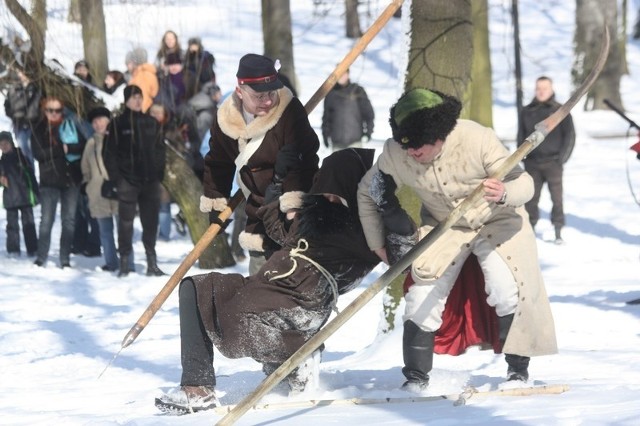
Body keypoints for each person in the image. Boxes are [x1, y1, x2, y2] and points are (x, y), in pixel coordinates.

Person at [357, 88, 557, 391]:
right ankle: (415, 379)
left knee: (506, 289)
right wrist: (376, 243)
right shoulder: (396, 153)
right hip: (444, 228)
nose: (411, 153)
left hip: (498, 221)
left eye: (419, 146)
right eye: (405, 145)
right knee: (420, 297)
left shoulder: (477, 138)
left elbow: (523, 181)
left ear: (439, 134)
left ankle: (517, 372)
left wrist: (505, 193)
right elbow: (368, 192)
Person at [155, 148, 381, 414]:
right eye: (325, 190)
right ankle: (197, 387)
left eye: (338, 192)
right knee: (194, 288)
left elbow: (401, 249)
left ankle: (298, 355)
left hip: (298, 305)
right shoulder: (313, 214)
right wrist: (276, 184)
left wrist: (389, 210)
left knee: (244, 320)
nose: (330, 198)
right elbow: (277, 228)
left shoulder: (363, 231)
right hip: (265, 287)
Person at [200, 53, 320, 275]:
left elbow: (305, 159)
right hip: (259, 214)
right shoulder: (226, 120)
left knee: (296, 284)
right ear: (240, 92)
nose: (268, 101)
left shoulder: (289, 111)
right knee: (260, 286)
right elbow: (218, 163)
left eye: (272, 93)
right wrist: (216, 202)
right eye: (259, 96)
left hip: (296, 215)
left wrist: (292, 206)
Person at [104, 85, 166, 277]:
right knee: (125, 223)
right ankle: (124, 262)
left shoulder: (151, 122)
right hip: (127, 181)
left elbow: (160, 151)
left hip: (150, 180)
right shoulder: (116, 124)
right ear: (126, 100)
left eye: (139, 97)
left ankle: (151, 262)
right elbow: (108, 153)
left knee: (151, 222)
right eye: (133, 97)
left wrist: (158, 173)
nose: (137, 101)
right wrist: (117, 177)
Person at [517, 76, 575, 243]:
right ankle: (531, 229)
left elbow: (570, 136)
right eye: (538, 88)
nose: (541, 92)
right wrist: (524, 157)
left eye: (545, 88)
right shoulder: (527, 111)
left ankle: (558, 230)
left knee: (557, 198)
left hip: (554, 163)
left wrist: (561, 158)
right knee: (531, 198)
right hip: (532, 163)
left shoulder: (560, 111)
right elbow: (521, 136)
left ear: (551, 89)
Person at [31, 97, 85, 268]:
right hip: (50, 180)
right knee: (46, 220)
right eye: (50, 110)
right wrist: (61, 149)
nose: (54, 114)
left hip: (71, 179)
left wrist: (67, 149)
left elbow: (82, 146)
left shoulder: (70, 126)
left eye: (57, 110)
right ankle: (41, 256)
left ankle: (64, 258)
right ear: (44, 111)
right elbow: (39, 154)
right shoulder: (39, 129)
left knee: (69, 221)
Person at [81, 106, 133, 272]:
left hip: (120, 190)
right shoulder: (90, 144)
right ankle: (111, 262)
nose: (98, 124)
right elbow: (85, 168)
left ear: (108, 121)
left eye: (101, 120)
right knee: (105, 232)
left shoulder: (120, 138)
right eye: (94, 122)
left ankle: (128, 264)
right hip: (98, 193)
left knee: (124, 230)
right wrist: (87, 185)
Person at [0, 130, 38, 257]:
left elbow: (31, 174)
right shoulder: (1, 161)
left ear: (11, 142)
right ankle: (13, 250)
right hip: (10, 197)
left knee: (29, 224)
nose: (4, 146)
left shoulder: (21, 156)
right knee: (12, 226)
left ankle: (32, 249)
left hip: (25, 195)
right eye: (1, 144)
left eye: (6, 143)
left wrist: (35, 193)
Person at [321, 68, 374, 151]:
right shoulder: (331, 93)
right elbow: (326, 117)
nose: (341, 76)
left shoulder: (357, 90)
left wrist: (368, 132)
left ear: (348, 74)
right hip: (337, 144)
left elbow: (368, 113)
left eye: (343, 73)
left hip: (355, 142)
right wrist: (325, 135)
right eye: (339, 74)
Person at [3, 69, 41, 169]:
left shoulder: (35, 88)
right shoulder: (13, 89)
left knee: (36, 150)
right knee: (25, 151)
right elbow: (7, 105)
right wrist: (13, 115)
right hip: (19, 124)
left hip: (34, 123)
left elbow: (37, 103)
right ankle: (31, 173)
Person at [125, 47, 159, 113]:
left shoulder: (142, 76)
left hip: (142, 112)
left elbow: (144, 98)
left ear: (134, 63)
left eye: (128, 63)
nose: (127, 66)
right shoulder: (138, 74)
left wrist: (139, 114)